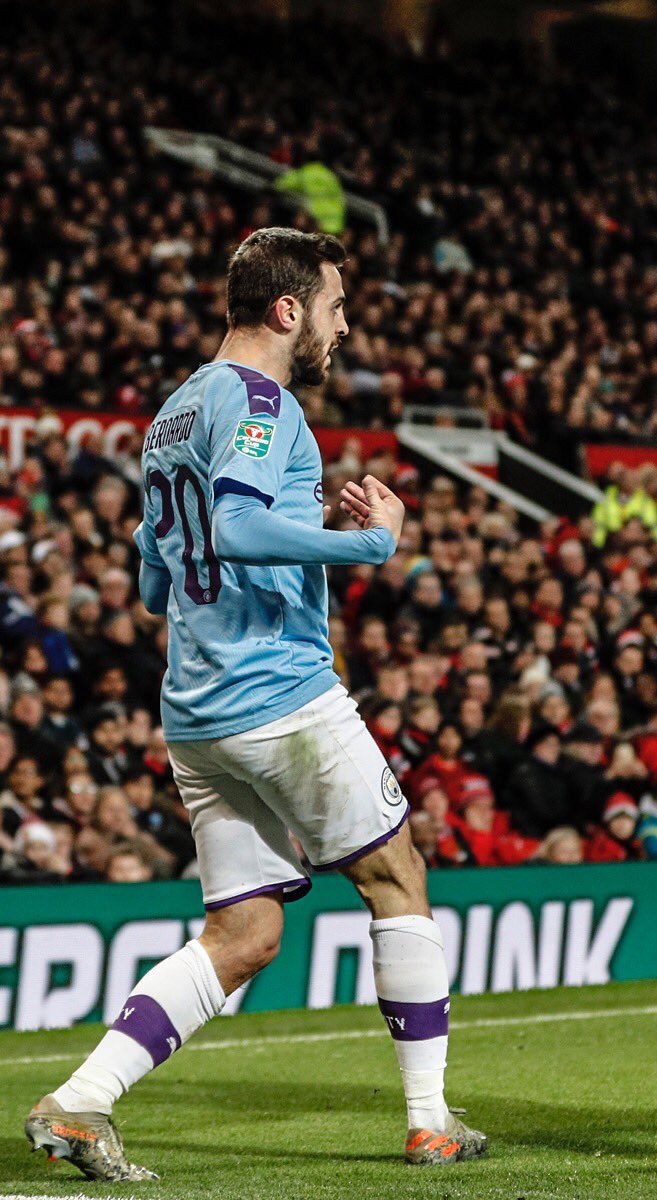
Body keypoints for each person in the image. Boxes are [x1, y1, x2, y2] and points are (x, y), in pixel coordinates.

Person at [25, 228, 486, 1182]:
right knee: (397, 878)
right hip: (278, 698)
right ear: (288, 311)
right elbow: (234, 528)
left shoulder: (173, 413)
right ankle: (430, 1119)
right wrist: (367, 547)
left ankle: (78, 1105)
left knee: (245, 935)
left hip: (196, 712)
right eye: (334, 305)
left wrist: (302, 531)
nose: (341, 325)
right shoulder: (261, 398)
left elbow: (158, 580)